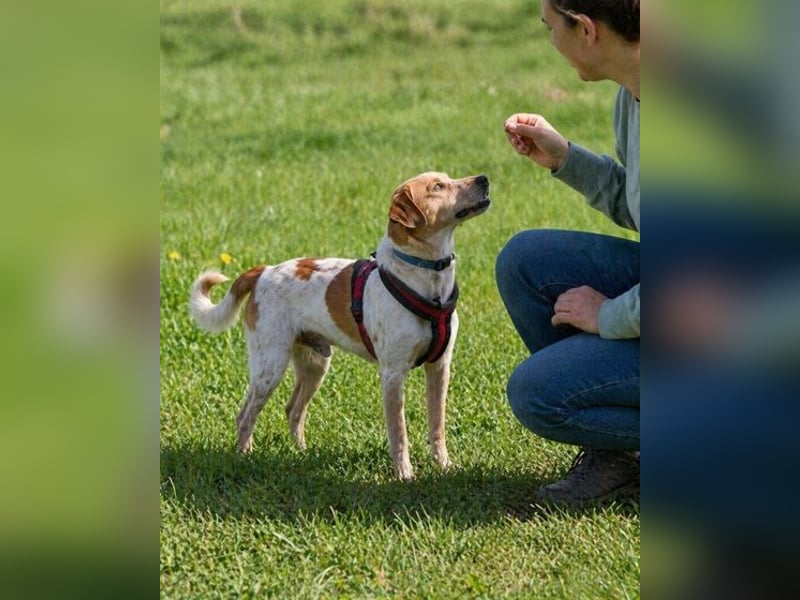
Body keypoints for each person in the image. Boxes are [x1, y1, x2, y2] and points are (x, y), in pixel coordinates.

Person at [495, 0, 640, 505]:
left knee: (539, 393)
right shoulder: (635, 95)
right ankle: (615, 455)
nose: (551, 41)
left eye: (550, 27)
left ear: (586, 29)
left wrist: (609, 315)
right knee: (527, 262)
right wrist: (565, 158)